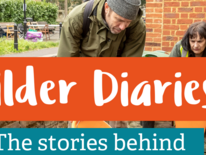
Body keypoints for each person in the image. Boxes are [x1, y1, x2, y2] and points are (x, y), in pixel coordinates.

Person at [59, 0, 146, 128]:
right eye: (119, 19)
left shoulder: (136, 27)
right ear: (107, 7)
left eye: (128, 22)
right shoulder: (78, 18)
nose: (123, 27)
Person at [143, 21, 206, 130]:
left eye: (200, 41)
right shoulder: (180, 47)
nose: (195, 45)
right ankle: (148, 134)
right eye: (192, 41)